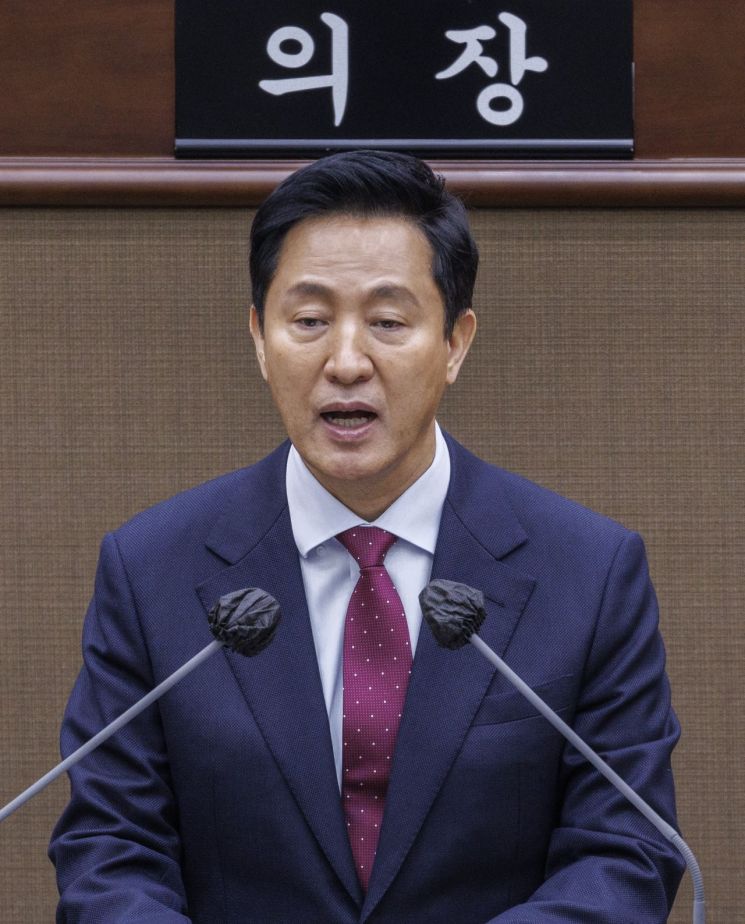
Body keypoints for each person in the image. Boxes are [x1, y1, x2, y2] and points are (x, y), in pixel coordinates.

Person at [50, 150, 684, 922]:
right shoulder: (152, 568)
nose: (346, 362)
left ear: (454, 343)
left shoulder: (588, 571)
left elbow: (624, 849)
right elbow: (110, 845)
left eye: (387, 322)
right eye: (308, 322)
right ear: (259, 339)